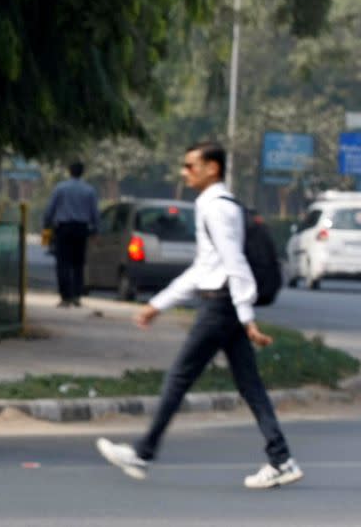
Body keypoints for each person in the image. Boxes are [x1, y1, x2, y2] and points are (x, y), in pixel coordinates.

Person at [96, 141, 303, 489]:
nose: (184, 172)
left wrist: (246, 316)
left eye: (191, 166)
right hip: (223, 303)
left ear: (213, 169)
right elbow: (205, 266)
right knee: (249, 385)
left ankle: (143, 453)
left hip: (220, 306)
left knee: (179, 378)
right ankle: (281, 458)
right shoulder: (213, 205)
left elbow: (234, 264)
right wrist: (158, 304)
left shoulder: (217, 209)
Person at [43, 161, 99, 307]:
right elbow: (95, 213)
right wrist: (95, 230)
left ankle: (65, 297)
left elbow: (50, 209)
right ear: (82, 172)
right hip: (81, 229)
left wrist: (46, 225)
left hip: (63, 228)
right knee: (78, 263)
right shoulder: (89, 190)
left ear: (69, 171)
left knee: (63, 263)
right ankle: (76, 295)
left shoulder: (61, 188)